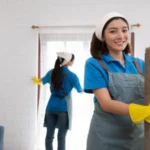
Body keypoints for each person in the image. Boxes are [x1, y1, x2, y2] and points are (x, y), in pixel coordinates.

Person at [84, 12, 150, 150]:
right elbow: (106, 103)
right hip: (105, 139)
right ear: (103, 36)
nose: (121, 36)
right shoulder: (95, 64)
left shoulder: (140, 64)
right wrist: (141, 111)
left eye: (124, 30)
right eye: (113, 31)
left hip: (136, 139)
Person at [32, 52, 83, 150]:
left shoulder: (51, 72)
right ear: (68, 62)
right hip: (63, 109)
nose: (73, 62)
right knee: (61, 137)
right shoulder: (73, 76)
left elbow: (40, 81)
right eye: (72, 60)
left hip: (50, 107)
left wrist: (31, 80)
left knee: (49, 137)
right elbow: (80, 90)